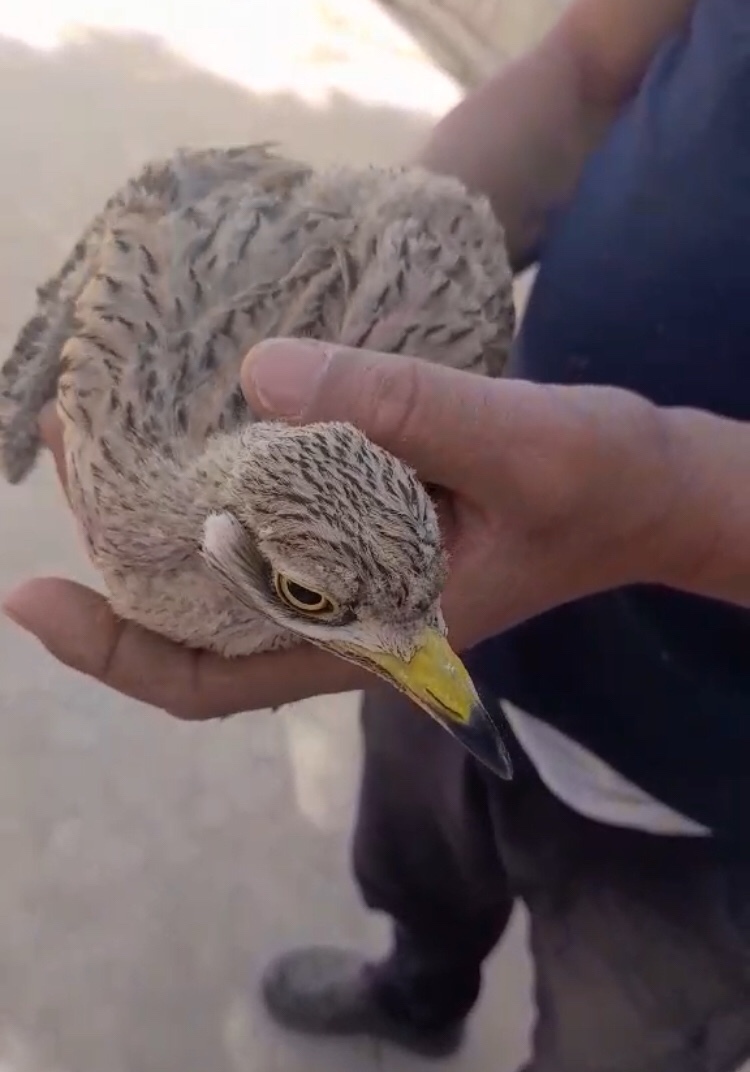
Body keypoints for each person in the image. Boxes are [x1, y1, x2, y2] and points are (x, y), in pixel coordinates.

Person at [4, 0, 750, 1066]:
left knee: (625, 1037)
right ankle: (415, 989)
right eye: (310, 596)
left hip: (710, 783)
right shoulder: (399, 586)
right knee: (419, 864)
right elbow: (590, 65)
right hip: (467, 570)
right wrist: (362, 257)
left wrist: (677, 503)